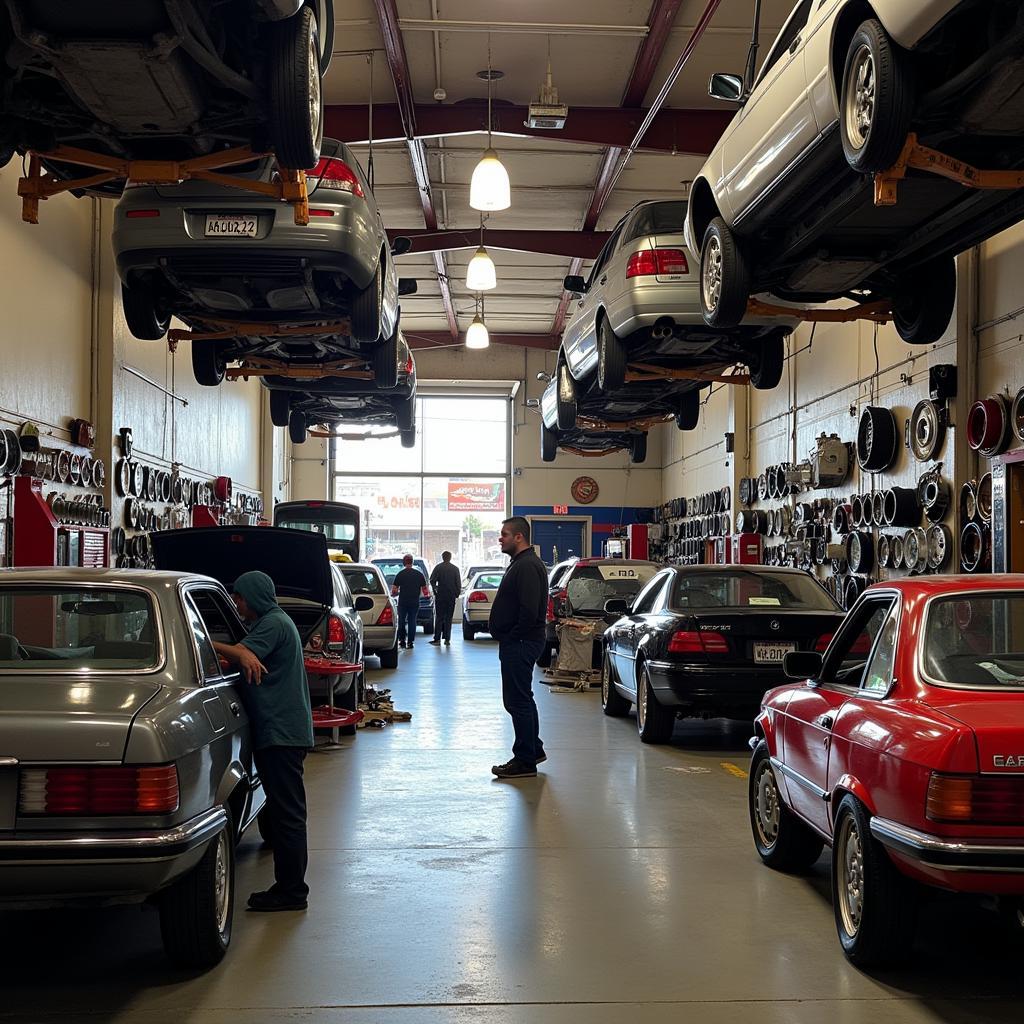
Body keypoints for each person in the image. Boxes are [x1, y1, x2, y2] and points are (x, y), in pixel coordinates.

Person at [213, 570, 313, 912]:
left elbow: (239, 654)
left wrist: (202, 639)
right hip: (283, 731)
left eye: (239, 597)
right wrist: (237, 655)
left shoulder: (273, 623)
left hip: (281, 733)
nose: (237, 604)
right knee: (284, 811)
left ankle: (292, 891)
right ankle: (289, 886)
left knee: (287, 814)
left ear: (253, 596)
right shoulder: (271, 623)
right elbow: (239, 656)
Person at [487, 516, 548, 779]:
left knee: (516, 700)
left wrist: (513, 636)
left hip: (521, 642)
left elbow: (530, 611)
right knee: (522, 697)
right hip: (520, 641)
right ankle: (533, 749)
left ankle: (524, 761)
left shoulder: (526, 566)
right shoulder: (522, 564)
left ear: (519, 537)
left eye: (504, 534)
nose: (500, 539)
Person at [391, 553, 426, 650]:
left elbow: (394, 591)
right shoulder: (419, 574)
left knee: (401, 621)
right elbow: (425, 591)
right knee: (412, 621)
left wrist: (395, 593)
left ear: (404, 563)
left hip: (403, 602)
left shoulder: (400, 574)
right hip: (414, 602)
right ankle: (410, 642)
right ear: (412, 562)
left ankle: (402, 640)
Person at [428, 550, 462, 646]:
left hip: (441, 596)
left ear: (442, 557)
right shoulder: (455, 569)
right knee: (449, 618)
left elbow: (432, 580)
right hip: (451, 596)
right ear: (450, 558)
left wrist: (435, 590)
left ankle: (437, 639)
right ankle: (447, 639)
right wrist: (456, 594)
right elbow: (458, 583)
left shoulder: (438, 567)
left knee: (439, 617)